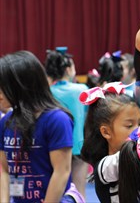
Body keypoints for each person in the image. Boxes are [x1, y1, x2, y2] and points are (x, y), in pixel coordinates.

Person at [0, 51, 74, 203]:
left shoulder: (56, 120)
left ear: (20, 85)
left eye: (3, 87)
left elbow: (61, 172)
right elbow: (6, 172)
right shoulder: (5, 122)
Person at [45, 47, 89, 200]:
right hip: (77, 146)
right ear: (69, 69)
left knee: (55, 189)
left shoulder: (46, 92)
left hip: (53, 147)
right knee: (79, 191)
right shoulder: (81, 89)